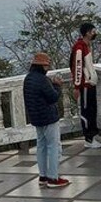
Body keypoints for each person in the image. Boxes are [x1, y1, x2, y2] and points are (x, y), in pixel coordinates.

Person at [23, 53, 70, 188]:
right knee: (54, 146)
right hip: (48, 117)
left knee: (41, 146)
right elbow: (53, 97)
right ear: (42, 66)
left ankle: (43, 175)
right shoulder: (42, 80)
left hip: (36, 117)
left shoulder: (28, 78)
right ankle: (53, 178)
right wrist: (57, 85)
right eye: (46, 65)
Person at [69, 22, 101, 149]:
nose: (94, 33)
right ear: (87, 32)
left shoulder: (85, 46)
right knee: (86, 111)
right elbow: (77, 67)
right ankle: (88, 137)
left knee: (91, 110)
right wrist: (77, 86)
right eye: (93, 31)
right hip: (85, 85)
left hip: (89, 84)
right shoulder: (80, 47)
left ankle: (92, 136)